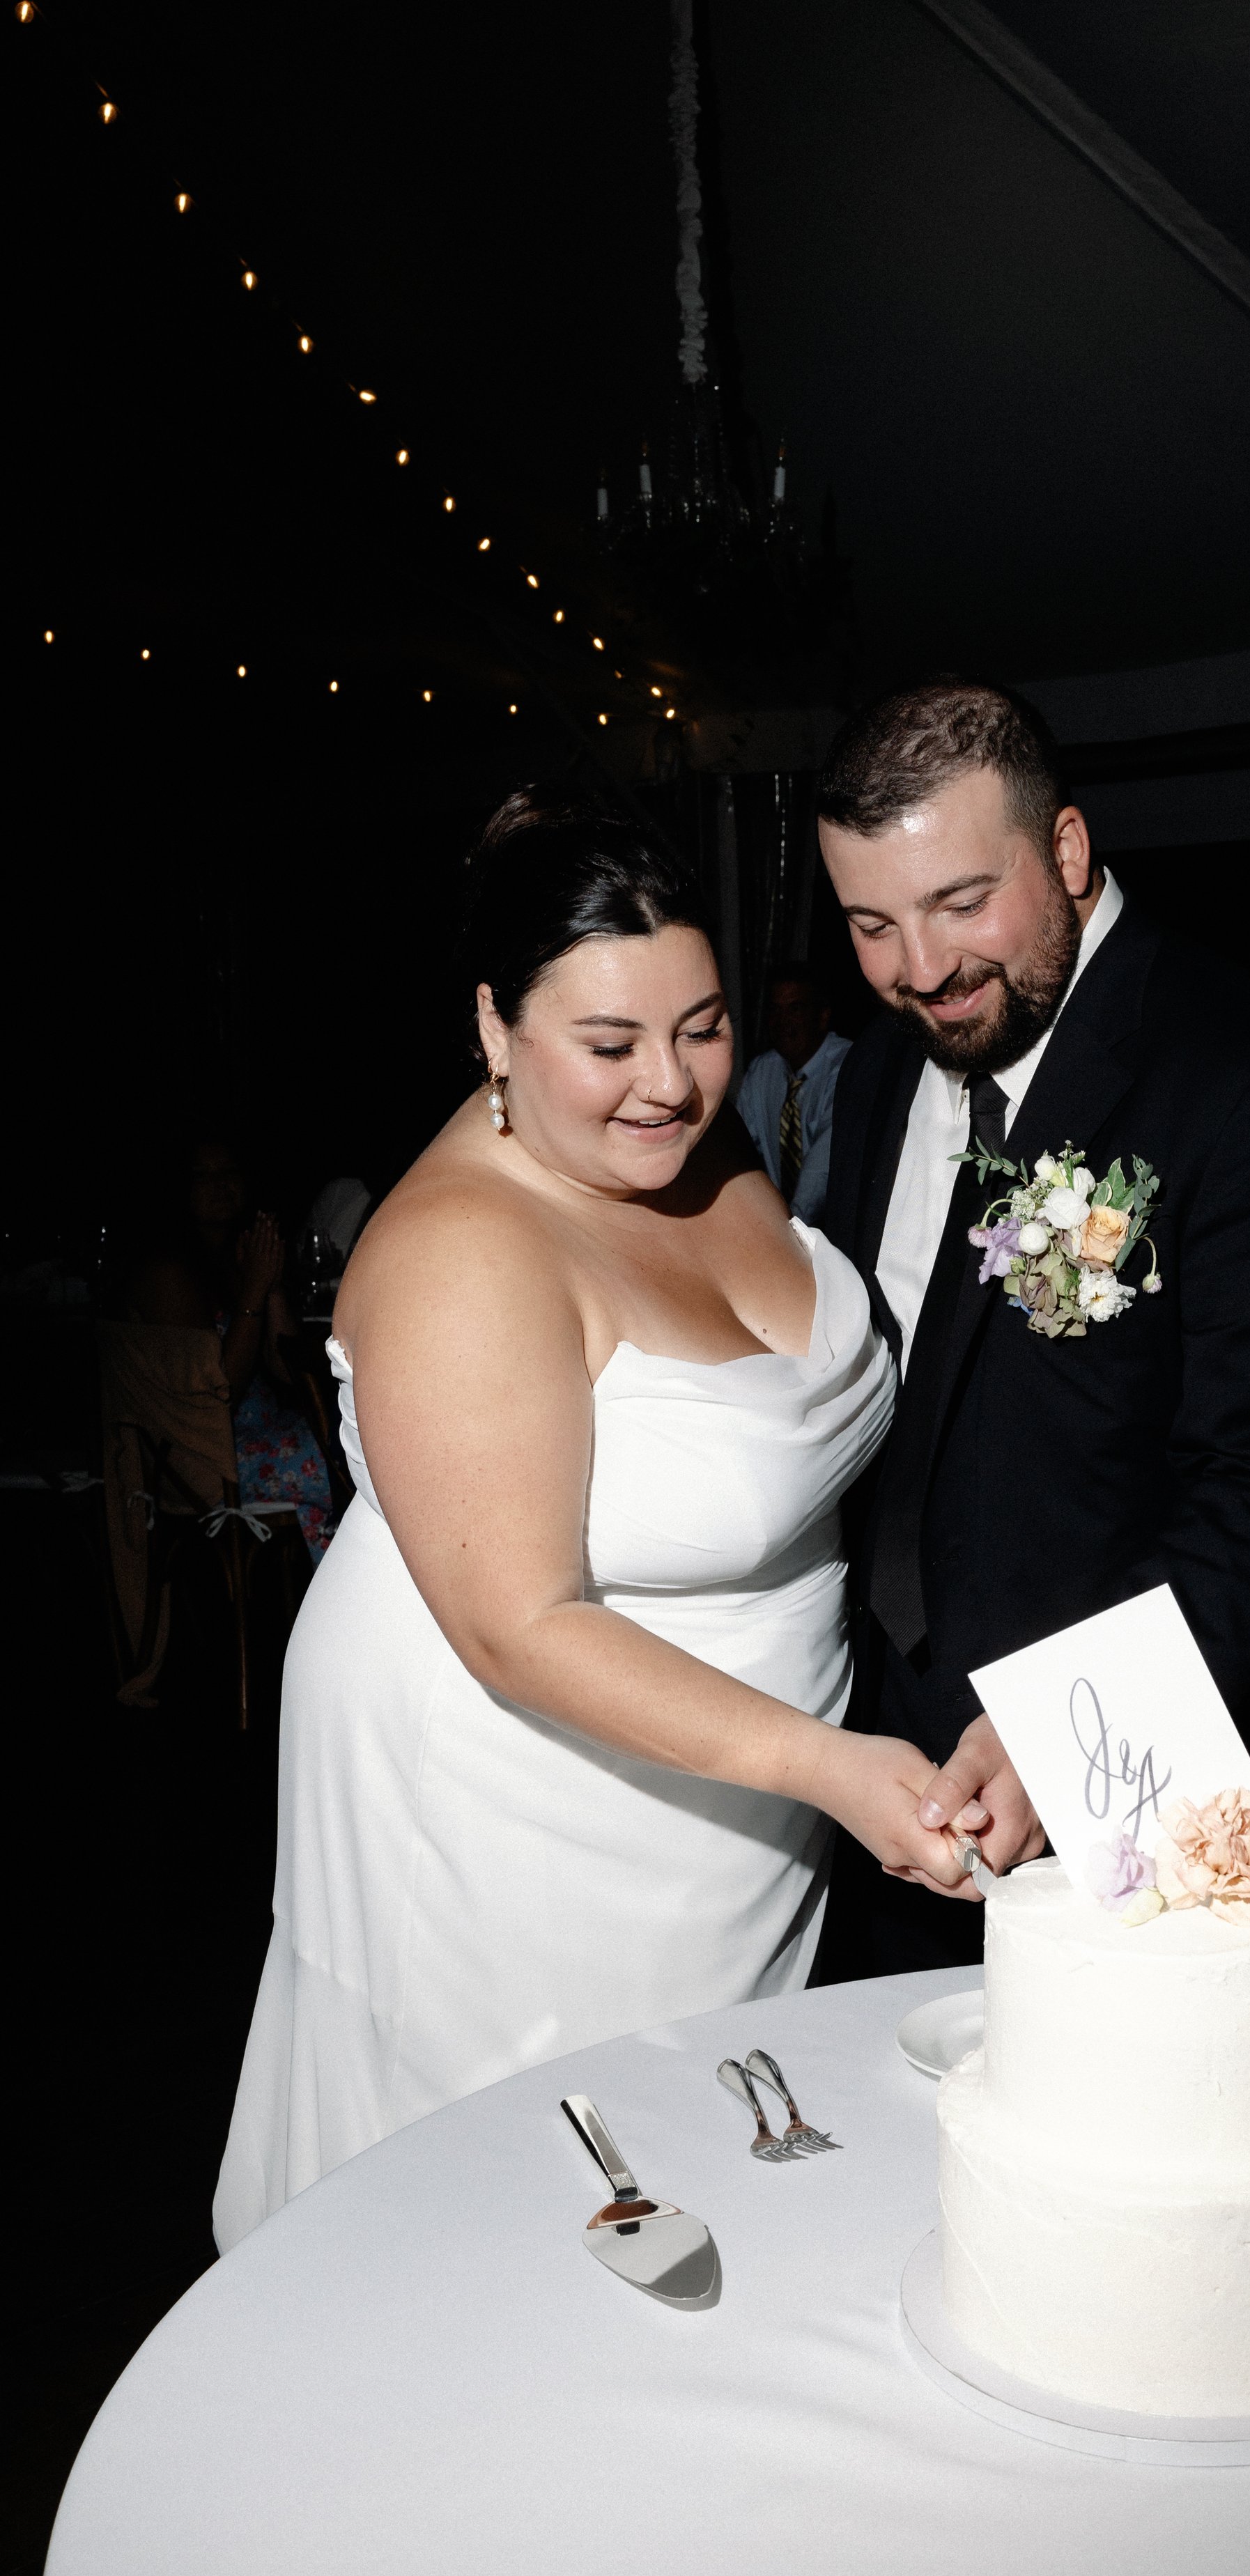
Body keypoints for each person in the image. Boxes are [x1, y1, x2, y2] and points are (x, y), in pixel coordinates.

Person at [213, 791, 1040, 2250]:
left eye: (702, 1026)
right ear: (492, 1031)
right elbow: (518, 1624)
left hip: (737, 1805)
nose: (668, 1085)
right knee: (519, 2222)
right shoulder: (461, 1249)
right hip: (519, 1810)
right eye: (607, 1046)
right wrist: (832, 1768)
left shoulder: (697, 1149)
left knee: (715, 2180)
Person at [817, 681, 1250, 1974]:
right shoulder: (874, 1074)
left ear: (1068, 853)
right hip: (890, 1793)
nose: (921, 970)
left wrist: (1063, 1726)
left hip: (1139, 1807)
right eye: (871, 924)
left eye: (964, 904)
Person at [126, 1138, 335, 1560]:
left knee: (349, 1433)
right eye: (203, 1175)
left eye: (229, 1172)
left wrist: (271, 1286)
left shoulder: (232, 1258)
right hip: (199, 1459)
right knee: (341, 1454)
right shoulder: (167, 1272)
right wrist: (254, 1293)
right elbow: (217, 1398)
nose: (220, 1185)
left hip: (255, 1434)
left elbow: (285, 1371)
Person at [736, 960, 851, 1220]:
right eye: (775, 1010)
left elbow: (821, 1169)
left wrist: (789, 1228)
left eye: (795, 1009)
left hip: (836, 1226)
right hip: (781, 1222)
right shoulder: (763, 1071)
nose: (782, 1021)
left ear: (822, 1016)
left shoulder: (848, 1067)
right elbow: (737, 1149)